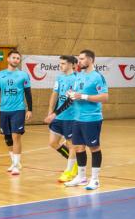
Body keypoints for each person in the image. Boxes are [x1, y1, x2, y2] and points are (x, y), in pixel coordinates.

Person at [63, 49, 109, 191]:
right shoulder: (79, 75)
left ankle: (95, 179)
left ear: (90, 60)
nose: (79, 61)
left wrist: (83, 96)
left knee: (94, 147)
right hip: (77, 117)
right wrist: (71, 94)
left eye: (82, 59)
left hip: (91, 118)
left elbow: (105, 97)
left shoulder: (97, 77)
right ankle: (81, 177)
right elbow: (76, 92)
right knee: (78, 147)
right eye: (79, 58)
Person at [0, 49, 32, 175]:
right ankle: (14, 161)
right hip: (4, 110)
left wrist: (30, 109)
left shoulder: (23, 75)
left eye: (18, 58)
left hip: (18, 109)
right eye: (14, 58)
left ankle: (16, 165)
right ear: (8, 59)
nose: (16, 60)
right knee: (7, 138)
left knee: (16, 136)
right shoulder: (0, 74)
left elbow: (28, 93)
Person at [42, 55, 79, 183]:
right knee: (53, 142)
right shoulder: (60, 78)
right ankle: (74, 163)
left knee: (71, 144)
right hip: (58, 116)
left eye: (63, 63)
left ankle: (69, 171)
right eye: (60, 63)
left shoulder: (76, 79)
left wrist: (55, 113)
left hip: (71, 117)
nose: (60, 66)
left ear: (71, 64)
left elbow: (71, 99)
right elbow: (55, 94)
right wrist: (50, 111)